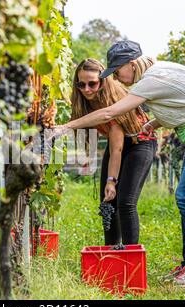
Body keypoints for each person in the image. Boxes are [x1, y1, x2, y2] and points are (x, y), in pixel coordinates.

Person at [54, 40, 185, 288]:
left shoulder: (151, 79)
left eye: (117, 71)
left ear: (130, 64)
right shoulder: (159, 71)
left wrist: (66, 126)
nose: (116, 77)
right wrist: (152, 124)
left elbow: (109, 113)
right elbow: (182, 102)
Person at [70, 58, 156, 245]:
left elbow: (117, 148)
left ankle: (131, 257)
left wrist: (112, 181)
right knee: (107, 202)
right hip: (117, 143)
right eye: (81, 84)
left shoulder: (112, 99)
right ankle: (110, 254)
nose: (86, 89)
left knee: (125, 202)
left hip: (139, 143)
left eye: (92, 83)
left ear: (102, 80)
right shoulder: (85, 102)